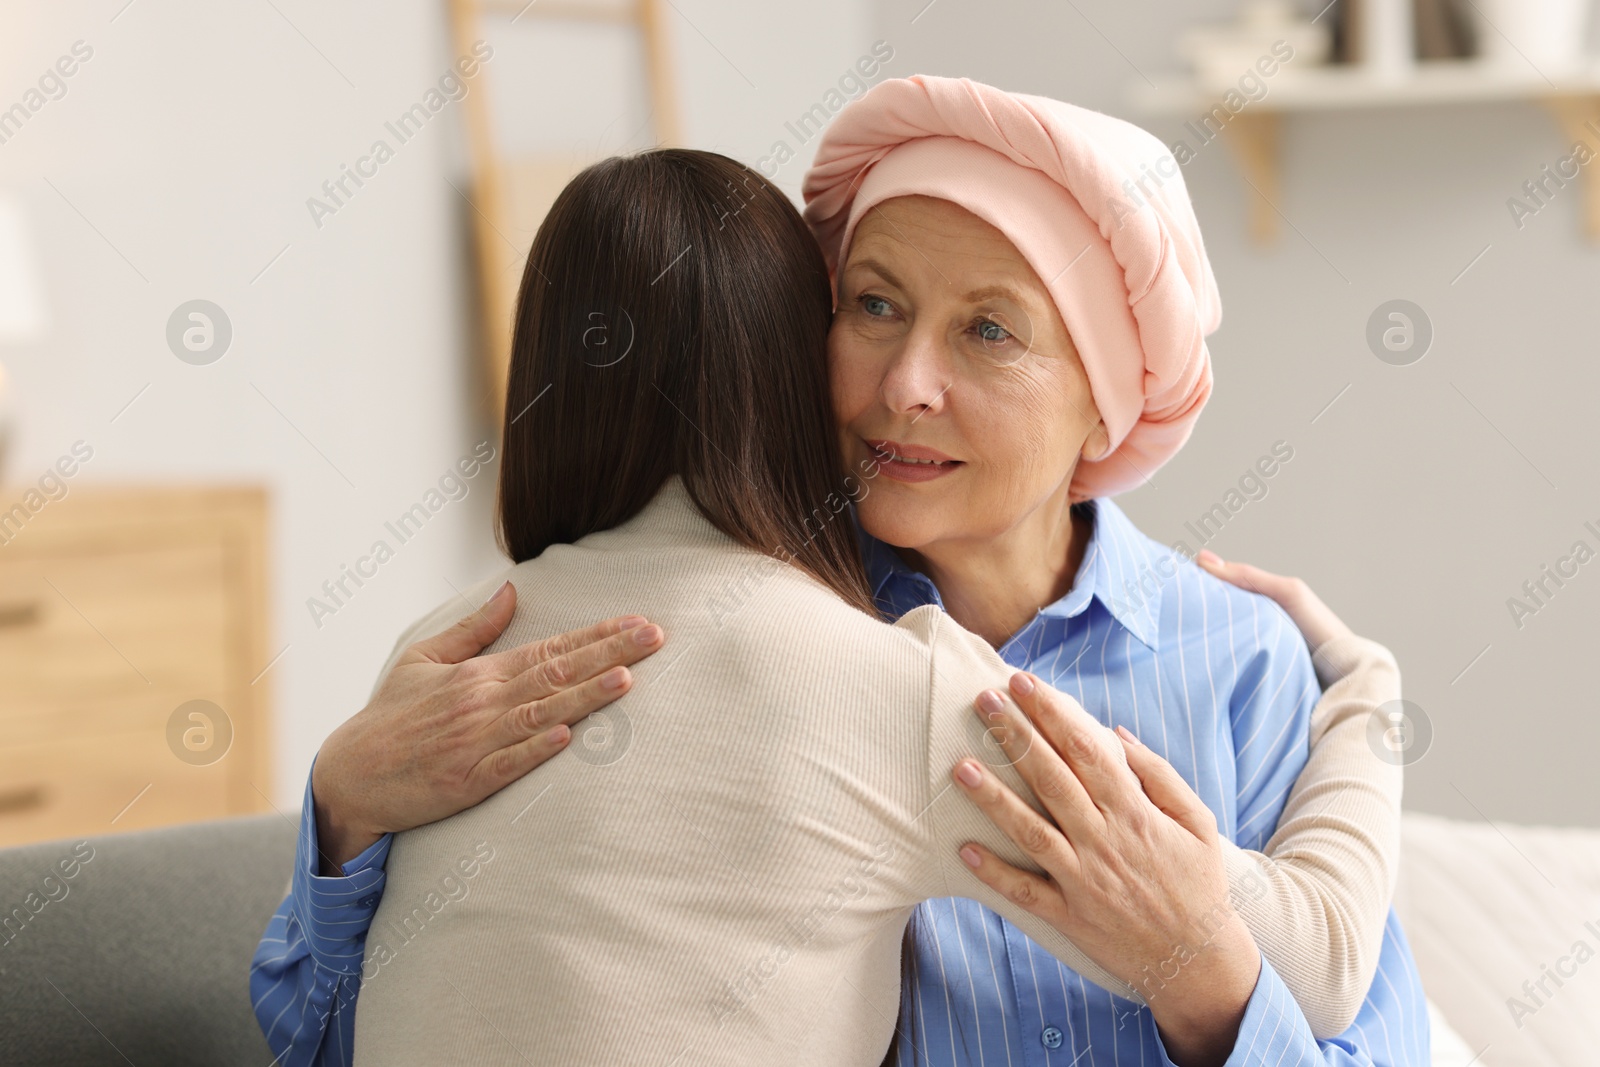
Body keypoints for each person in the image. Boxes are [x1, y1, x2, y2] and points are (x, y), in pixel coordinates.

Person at [252, 78, 1427, 1066]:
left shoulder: (1242, 661)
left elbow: (1361, 1020)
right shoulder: (756, 641)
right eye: (872, 304)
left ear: (1104, 402)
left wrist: (1204, 970)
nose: (906, 380)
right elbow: (339, 1025)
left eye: (990, 330)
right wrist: (345, 809)